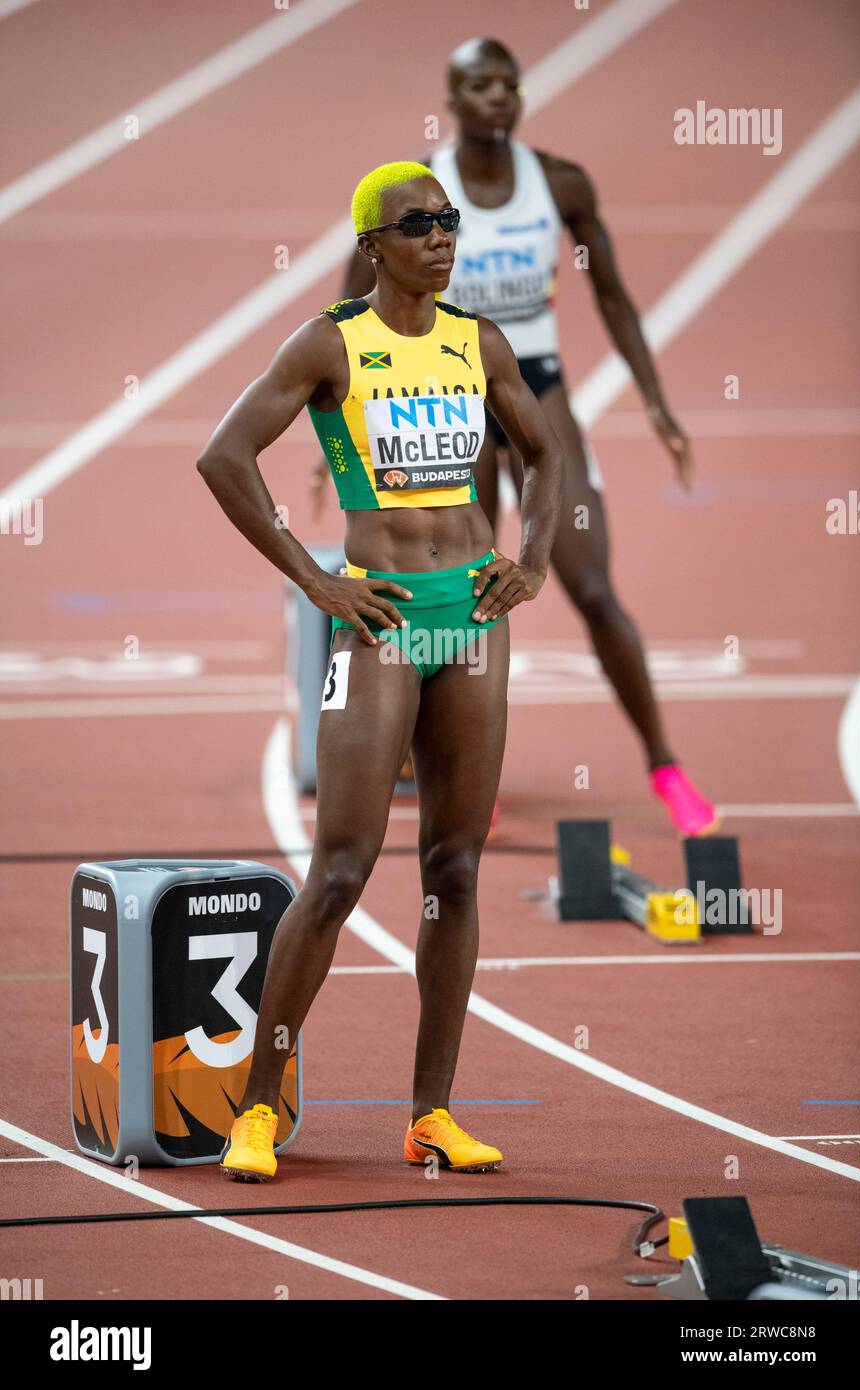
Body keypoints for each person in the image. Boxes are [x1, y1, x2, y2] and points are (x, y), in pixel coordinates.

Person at [196, 161, 562, 1180]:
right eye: (419, 224)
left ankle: (430, 1114)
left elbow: (546, 452)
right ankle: (256, 1107)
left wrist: (530, 557)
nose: (442, 238)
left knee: (453, 865)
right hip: (382, 618)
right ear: (372, 245)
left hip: (471, 617)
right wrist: (315, 581)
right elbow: (224, 456)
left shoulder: (474, 340)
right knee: (342, 869)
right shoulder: (329, 342)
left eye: (449, 221)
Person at [311, 38, 717, 837]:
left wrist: (657, 404)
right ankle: (462, 775)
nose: (498, 96)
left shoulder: (559, 184)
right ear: (453, 100)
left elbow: (615, 298)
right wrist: (332, 441)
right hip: (450, 387)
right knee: (463, 591)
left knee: (593, 588)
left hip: (532, 380)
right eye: (479, 85)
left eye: (508, 83)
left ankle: (665, 764)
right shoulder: (419, 192)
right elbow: (349, 308)